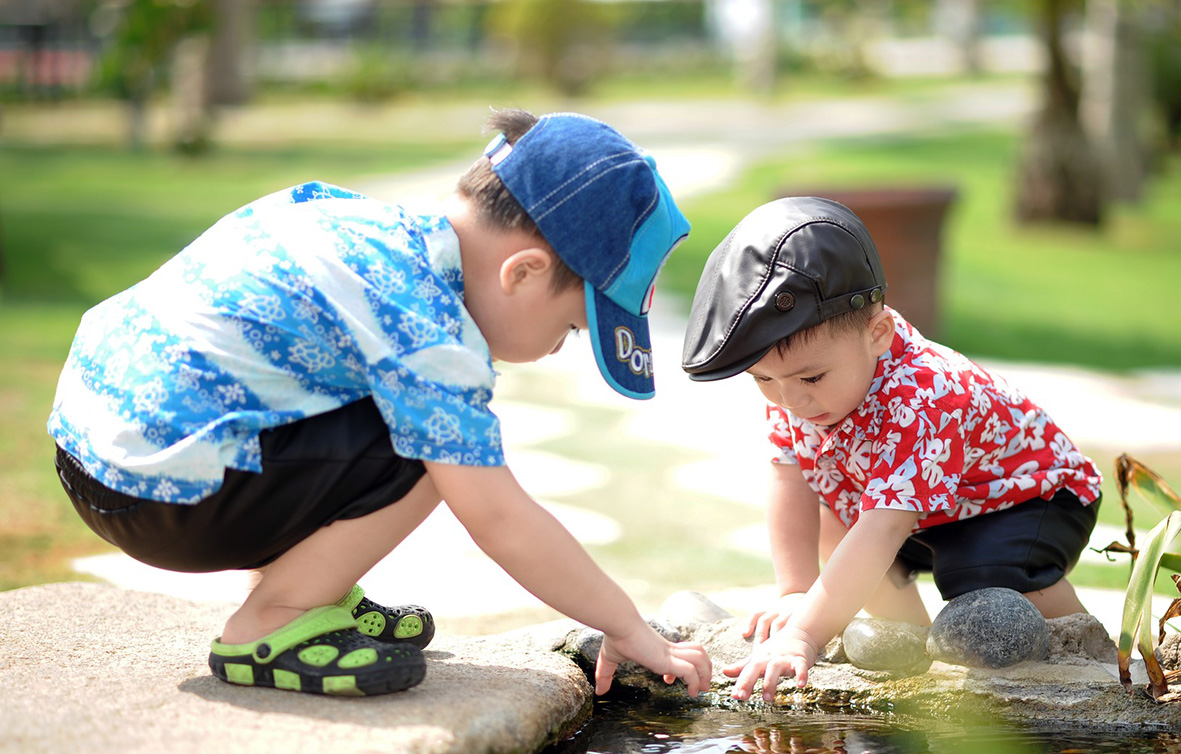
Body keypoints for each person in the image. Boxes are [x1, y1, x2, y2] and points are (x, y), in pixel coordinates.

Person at [49, 109, 711, 699]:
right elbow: (498, 518)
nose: (555, 350)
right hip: (160, 494)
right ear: (525, 272)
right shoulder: (426, 326)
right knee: (438, 451)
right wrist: (625, 626)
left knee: (404, 415)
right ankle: (272, 622)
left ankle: (313, 593)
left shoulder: (367, 227)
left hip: (97, 451)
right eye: (570, 330)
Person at [681, 197, 1102, 703]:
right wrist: (796, 591)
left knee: (978, 575)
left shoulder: (924, 395)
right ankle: (913, 650)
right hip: (925, 510)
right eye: (763, 379)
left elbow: (885, 527)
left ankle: (1085, 653)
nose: (792, 399)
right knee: (836, 518)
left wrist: (804, 635)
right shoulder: (798, 389)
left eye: (811, 377)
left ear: (877, 333)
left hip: (1029, 499)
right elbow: (789, 478)